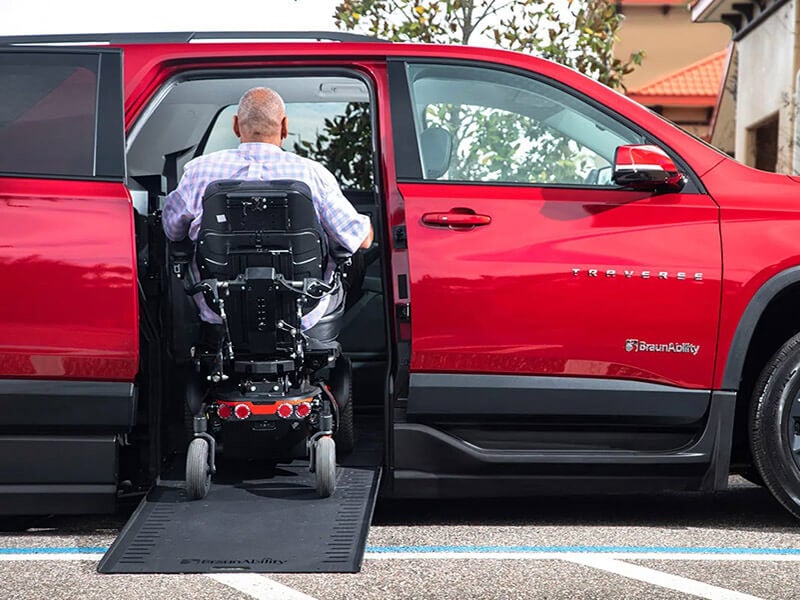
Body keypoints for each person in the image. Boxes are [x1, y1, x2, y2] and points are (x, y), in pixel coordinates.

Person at [162, 87, 373, 330]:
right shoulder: (312, 174)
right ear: (284, 126)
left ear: (235, 126)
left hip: (218, 309)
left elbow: (172, 230)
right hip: (304, 311)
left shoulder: (199, 172)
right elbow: (360, 240)